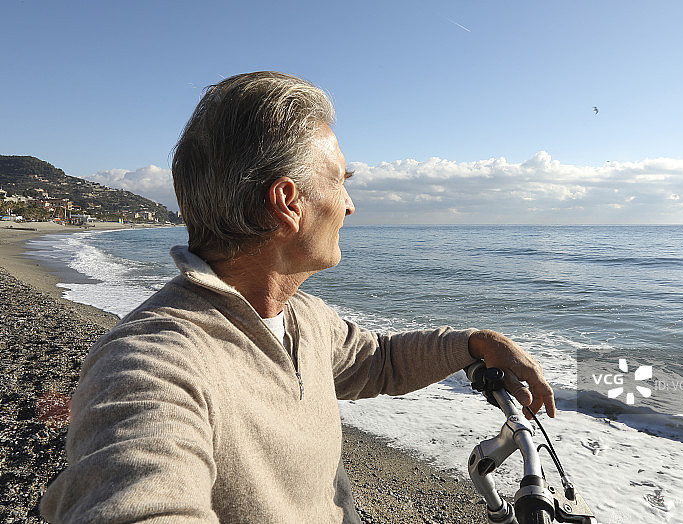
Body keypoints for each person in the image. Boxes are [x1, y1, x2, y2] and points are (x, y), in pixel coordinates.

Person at [40, 71, 555, 523]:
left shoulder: (302, 317)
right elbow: (134, 496)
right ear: (288, 201)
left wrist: (474, 343)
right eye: (340, 181)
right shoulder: (151, 363)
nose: (350, 206)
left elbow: (379, 361)